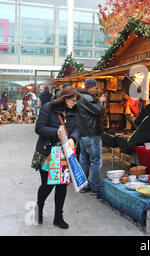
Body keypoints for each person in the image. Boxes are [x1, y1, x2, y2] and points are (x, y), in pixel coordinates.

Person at [34, 86, 80, 229]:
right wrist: (57, 132)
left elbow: (78, 127)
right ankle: (39, 208)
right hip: (48, 153)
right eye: (73, 100)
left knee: (62, 186)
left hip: (64, 154)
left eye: (76, 100)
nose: (74, 103)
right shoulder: (48, 108)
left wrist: (73, 138)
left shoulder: (75, 111)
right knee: (47, 185)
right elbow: (39, 128)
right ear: (64, 98)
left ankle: (58, 217)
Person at [77, 78, 106, 195]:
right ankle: (95, 187)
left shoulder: (79, 97)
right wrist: (102, 101)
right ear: (89, 87)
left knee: (83, 159)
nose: (97, 90)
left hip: (82, 133)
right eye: (95, 87)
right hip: (91, 133)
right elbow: (99, 111)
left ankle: (83, 185)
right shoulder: (88, 98)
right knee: (95, 161)